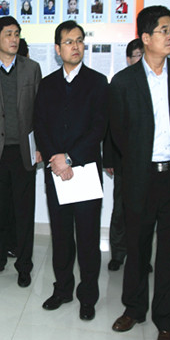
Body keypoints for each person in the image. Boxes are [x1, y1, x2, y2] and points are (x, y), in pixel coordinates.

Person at [110, 5, 170, 340]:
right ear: (146, 38)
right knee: (137, 248)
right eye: (163, 30)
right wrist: (135, 163)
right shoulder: (124, 81)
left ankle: (166, 321)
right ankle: (134, 309)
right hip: (141, 178)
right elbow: (118, 133)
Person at [34, 20, 108, 321]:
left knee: (88, 238)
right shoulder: (47, 84)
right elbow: (40, 124)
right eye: (68, 41)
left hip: (85, 170)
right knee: (62, 236)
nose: (75, 46)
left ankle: (87, 296)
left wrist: (70, 158)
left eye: (79, 40)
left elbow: (99, 128)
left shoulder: (97, 82)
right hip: (56, 172)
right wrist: (56, 160)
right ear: (57, 48)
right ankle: (63, 289)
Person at [0, 16, 42, 287]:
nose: (14, 39)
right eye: (8, 34)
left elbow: (40, 113)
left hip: (23, 153)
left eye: (17, 34)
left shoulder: (31, 69)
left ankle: (24, 265)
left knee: (24, 213)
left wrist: (40, 148)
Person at [104, 38, 143, 271]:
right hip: (123, 159)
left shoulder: (156, 83)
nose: (141, 59)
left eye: (143, 54)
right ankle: (118, 254)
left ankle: (140, 256)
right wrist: (109, 158)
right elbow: (110, 125)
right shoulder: (119, 83)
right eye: (137, 55)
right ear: (128, 59)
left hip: (148, 162)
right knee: (120, 209)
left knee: (144, 212)